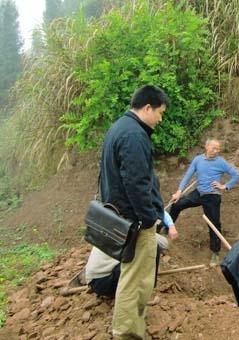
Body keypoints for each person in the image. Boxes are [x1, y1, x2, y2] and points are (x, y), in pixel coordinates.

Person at [99, 85, 169, 339]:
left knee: (134, 276)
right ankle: (127, 333)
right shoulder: (134, 136)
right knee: (134, 279)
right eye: (160, 112)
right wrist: (149, 219)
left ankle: (131, 327)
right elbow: (136, 183)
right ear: (147, 107)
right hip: (135, 222)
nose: (160, 119)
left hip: (122, 216)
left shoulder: (119, 127)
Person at [169, 139, 239, 266]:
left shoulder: (221, 162)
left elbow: (236, 175)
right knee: (177, 204)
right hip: (198, 192)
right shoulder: (198, 160)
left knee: (213, 224)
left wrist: (225, 186)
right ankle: (167, 227)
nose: (216, 151)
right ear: (207, 147)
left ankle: (215, 253)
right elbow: (187, 176)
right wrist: (179, 192)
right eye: (214, 148)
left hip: (212, 196)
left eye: (218, 149)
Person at [85, 213, 178, 298]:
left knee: (135, 253)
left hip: (94, 279)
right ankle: (147, 290)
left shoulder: (118, 222)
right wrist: (153, 233)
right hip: (105, 283)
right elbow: (164, 244)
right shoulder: (135, 229)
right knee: (152, 248)